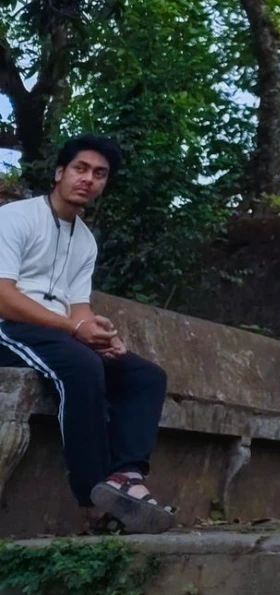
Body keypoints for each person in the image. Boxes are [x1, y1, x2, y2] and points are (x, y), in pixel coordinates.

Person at [0, 135, 172, 534]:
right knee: (81, 366)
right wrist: (73, 330)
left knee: (145, 376)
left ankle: (124, 477)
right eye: (80, 169)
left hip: (52, 335)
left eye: (99, 174)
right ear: (60, 173)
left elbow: (77, 308)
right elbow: (4, 297)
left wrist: (99, 333)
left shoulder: (85, 241)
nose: (88, 179)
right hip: (9, 328)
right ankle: (91, 499)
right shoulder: (16, 217)